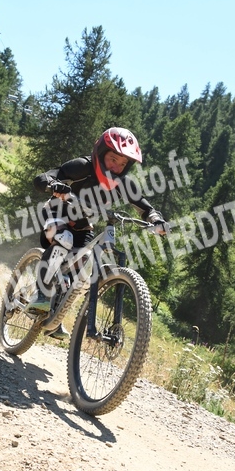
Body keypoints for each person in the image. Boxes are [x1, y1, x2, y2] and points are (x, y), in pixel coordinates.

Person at [27, 127, 168, 340]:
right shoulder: (81, 167)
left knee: (83, 263)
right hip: (56, 213)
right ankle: (41, 294)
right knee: (63, 239)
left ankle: (56, 315)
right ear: (100, 154)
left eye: (123, 164)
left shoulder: (122, 183)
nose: (117, 167)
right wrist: (53, 184)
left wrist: (156, 219)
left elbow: (143, 205)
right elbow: (45, 177)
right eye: (113, 159)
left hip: (83, 225)